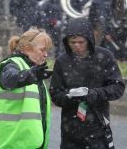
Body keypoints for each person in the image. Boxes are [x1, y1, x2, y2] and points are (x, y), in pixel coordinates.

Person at [49, 17, 125, 149]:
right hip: (70, 132)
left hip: (99, 129)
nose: (77, 46)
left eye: (81, 42)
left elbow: (118, 87)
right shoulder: (62, 61)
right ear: (67, 42)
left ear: (89, 40)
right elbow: (55, 93)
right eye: (73, 42)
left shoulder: (104, 56)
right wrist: (69, 97)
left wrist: (97, 93)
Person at [0, 28, 53, 149]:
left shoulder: (34, 70)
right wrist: (31, 75)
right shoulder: (12, 64)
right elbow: (8, 79)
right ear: (27, 50)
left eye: (46, 50)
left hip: (27, 142)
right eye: (42, 50)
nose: (46, 54)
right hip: (12, 143)